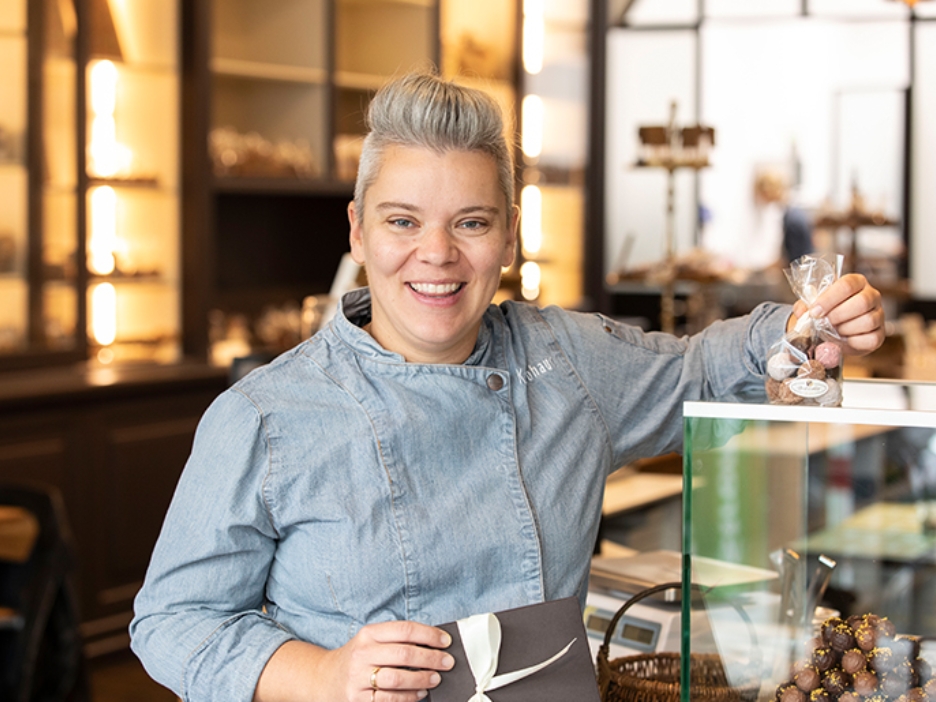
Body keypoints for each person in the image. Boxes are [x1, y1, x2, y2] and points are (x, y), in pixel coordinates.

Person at [129, 72, 885, 702]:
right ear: (358, 230)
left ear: (511, 234)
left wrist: (806, 327)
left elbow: (705, 367)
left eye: (471, 223)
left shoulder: (568, 363)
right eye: (402, 221)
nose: (436, 254)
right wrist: (321, 675)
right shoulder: (265, 415)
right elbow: (173, 619)